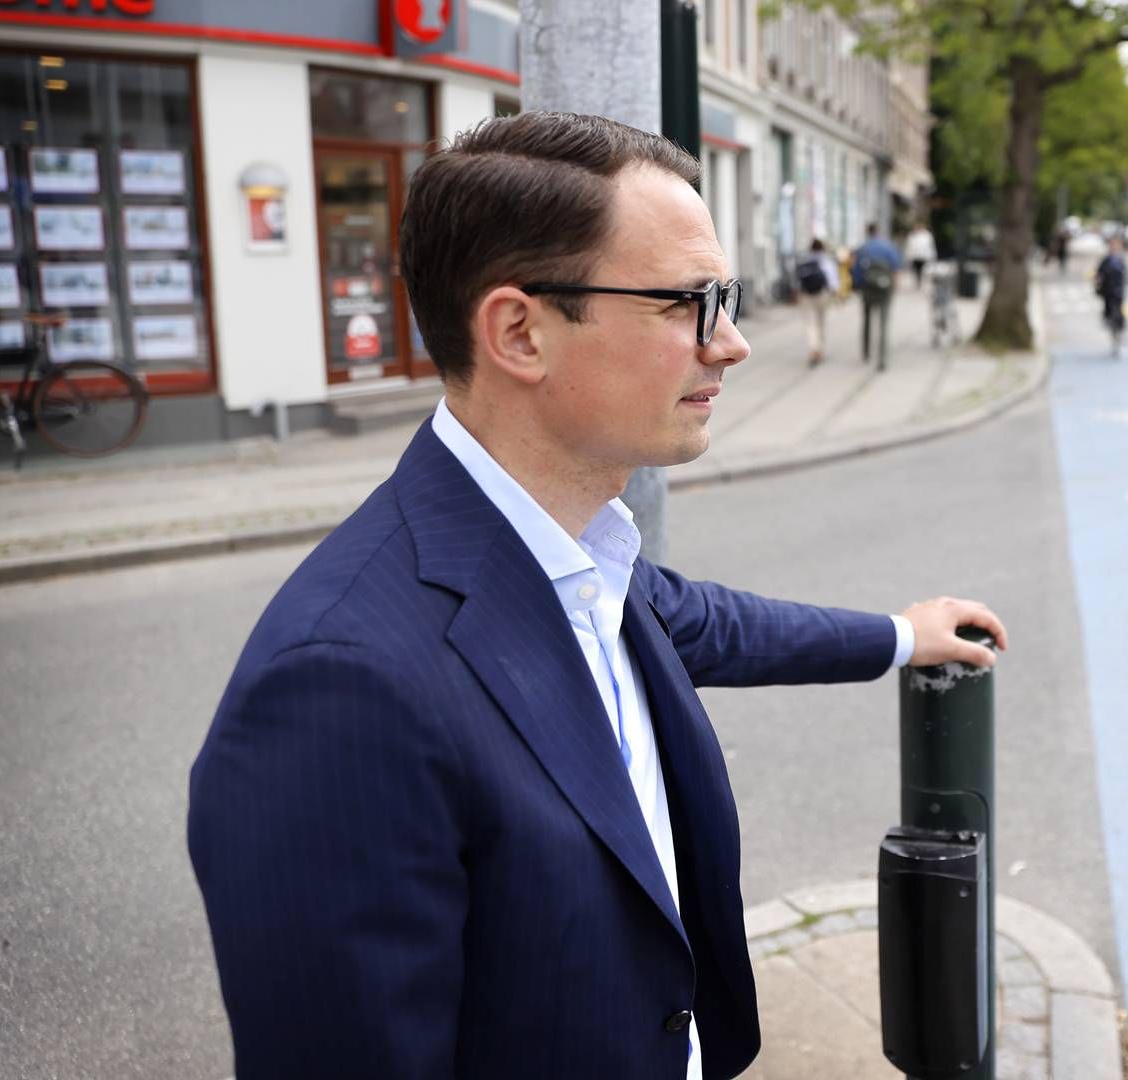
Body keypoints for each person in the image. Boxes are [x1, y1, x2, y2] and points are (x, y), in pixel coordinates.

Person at [186, 111, 1007, 1080]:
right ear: (520, 332)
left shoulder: (582, 559)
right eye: (687, 304)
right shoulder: (336, 691)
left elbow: (715, 625)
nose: (733, 343)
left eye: (726, 299)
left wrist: (902, 637)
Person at [851, 222, 901, 370]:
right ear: (878, 231)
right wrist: (894, 287)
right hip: (885, 289)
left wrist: (857, 287)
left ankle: (866, 352)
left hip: (868, 289)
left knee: (866, 320)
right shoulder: (888, 247)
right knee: (883, 324)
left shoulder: (863, 249)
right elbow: (896, 269)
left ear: (867, 232)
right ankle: (882, 359)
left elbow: (856, 271)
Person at [793, 237, 838, 366]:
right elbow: (832, 280)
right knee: (821, 322)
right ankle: (820, 349)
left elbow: (797, 279)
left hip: (806, 295)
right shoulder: (826, 261)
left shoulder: (805, 260)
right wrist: (836, 295)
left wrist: (796, 294)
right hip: (822, 295)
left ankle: (813, 349)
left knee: (810, 324)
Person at [1095, 233, 1128, 352]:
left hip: (1119, 290)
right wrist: (1098, 282)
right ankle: (1107, 320)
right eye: (1112, 245)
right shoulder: (1106, 260)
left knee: (1121, 310)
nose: (1114, 247)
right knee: (1108, 308)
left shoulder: (1121, 260)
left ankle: (1121, 329)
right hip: (1107, 290)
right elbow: (1098, 273)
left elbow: (1126, 273)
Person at [903, 221, 937, 290]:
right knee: (916, 270)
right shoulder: (912, 235)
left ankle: (921, 282)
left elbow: (931, 246)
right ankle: (918, 282)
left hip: (924, 256)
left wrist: (932, 255)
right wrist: (907, 256)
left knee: (923, 270)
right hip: (915, 256)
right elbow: (909, 246)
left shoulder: (927, 235)